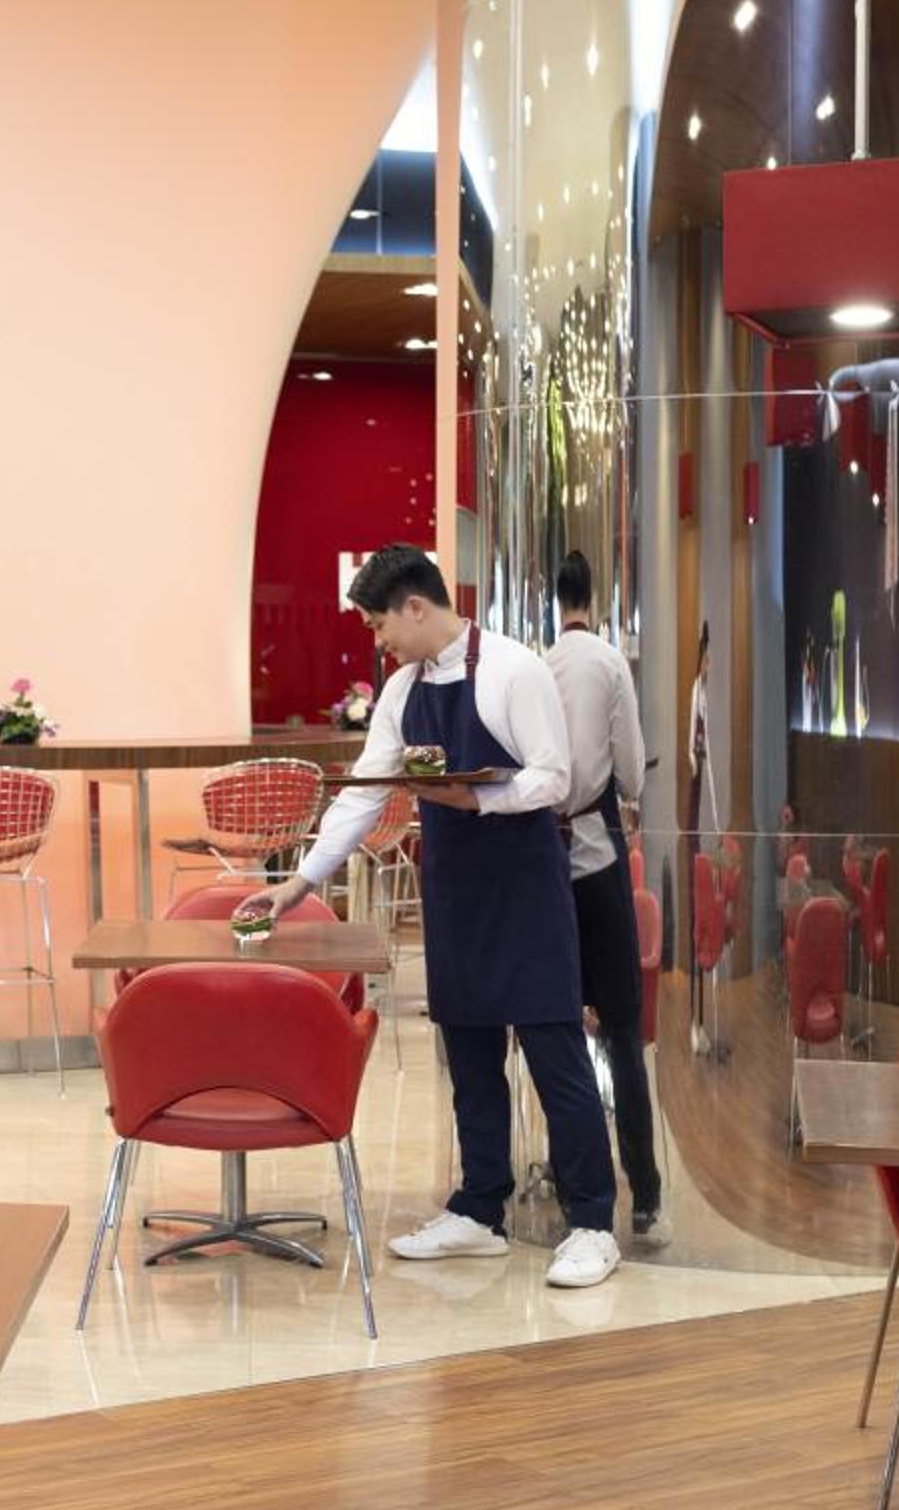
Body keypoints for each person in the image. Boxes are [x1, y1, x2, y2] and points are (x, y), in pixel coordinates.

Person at [243, 544, 621, 1289]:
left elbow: (555, 777)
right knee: (470, 1060)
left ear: (415, 607)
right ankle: (479, 1210)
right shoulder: (401, 689)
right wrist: (300, 881)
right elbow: (366, 792)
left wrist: (478, 796)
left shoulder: (514, 670)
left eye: (380, 624)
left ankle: (593, 1224)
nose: (378, 640)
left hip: (524, 887)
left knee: (556, 1059)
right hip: (454, 887)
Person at [543, 551, 664, 1244]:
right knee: (621, 1031)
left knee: (560, 1032)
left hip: (545, 866)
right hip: (598, 859)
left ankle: (573, 1187)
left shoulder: (539, 666)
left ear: (553, 600)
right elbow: (634, 779)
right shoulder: (611, 664)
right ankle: (643, 1193)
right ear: (596, 597)